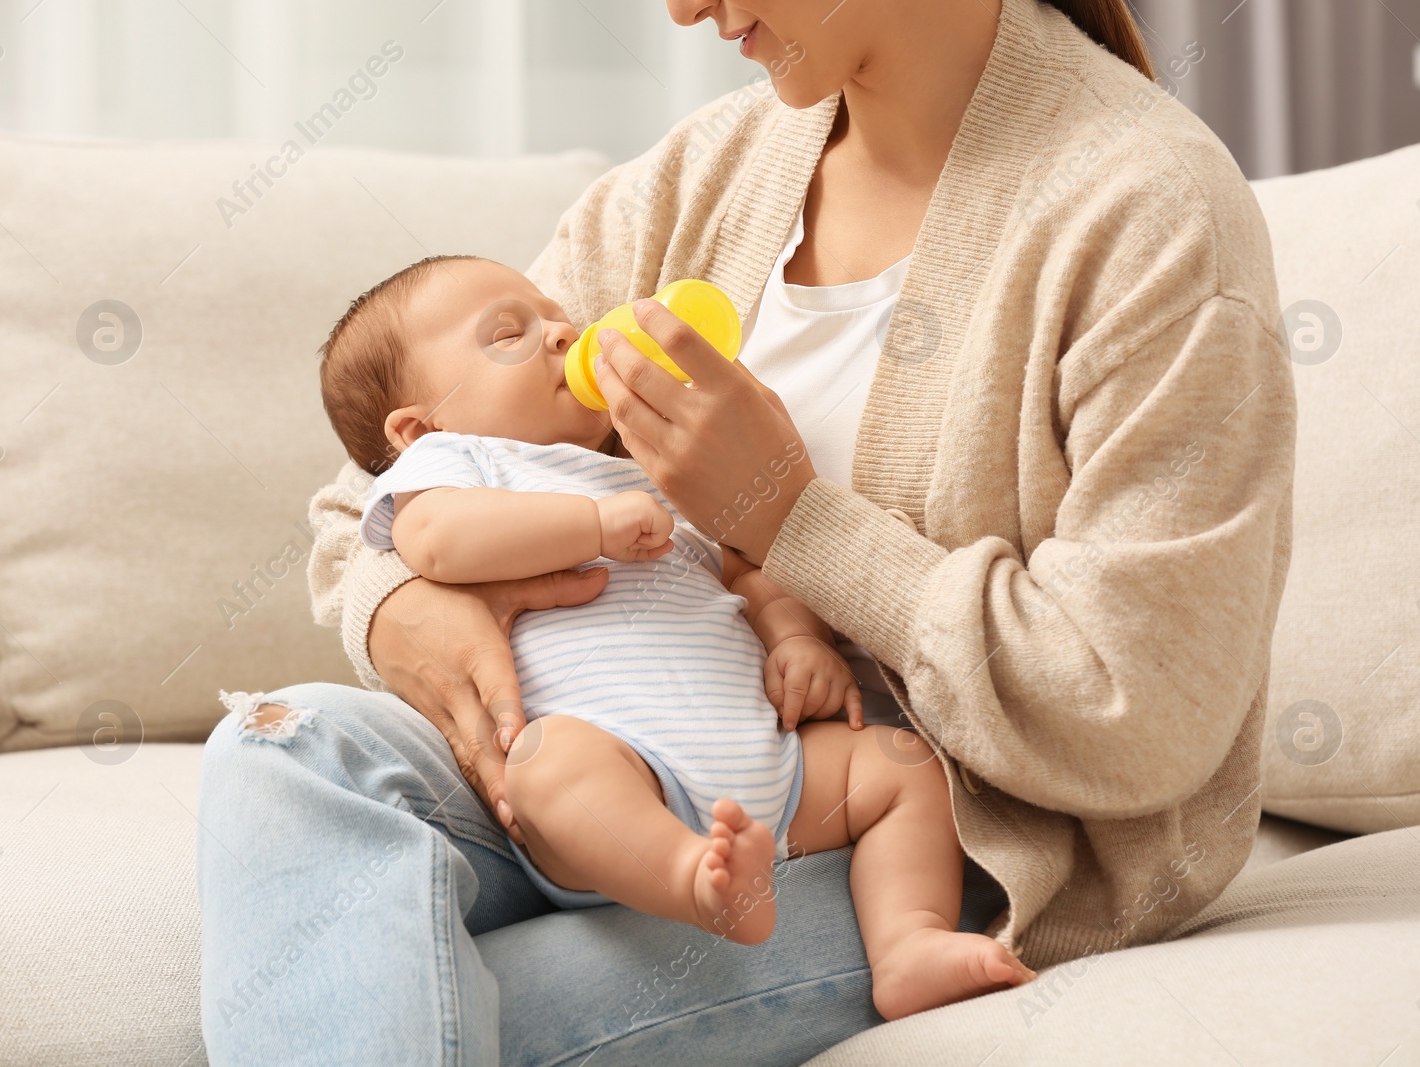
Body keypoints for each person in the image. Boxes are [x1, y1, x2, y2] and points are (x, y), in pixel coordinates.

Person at [196, 1, 1296, 1064]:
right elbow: (368, 502)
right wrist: (406, 606)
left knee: (429, 1007)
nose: (680, 11)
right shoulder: (708, 176)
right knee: (283, 749)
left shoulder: (1146, 211)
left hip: (906, 827)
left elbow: (1139, 708)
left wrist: (786, 513)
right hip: (591, 753)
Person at [311, 251, 1037, 1018]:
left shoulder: (648, 463)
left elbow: (747, 569)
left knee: (903, 767)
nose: (562, 333)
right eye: (507, 335)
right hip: (623, 765)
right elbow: (434, 541)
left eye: (556, 314)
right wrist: (589, 524)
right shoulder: (461, 464)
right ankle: (697, 878)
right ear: (421, 427)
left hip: (771, 758)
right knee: (545, 765)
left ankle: (907, 941)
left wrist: (795, 638)